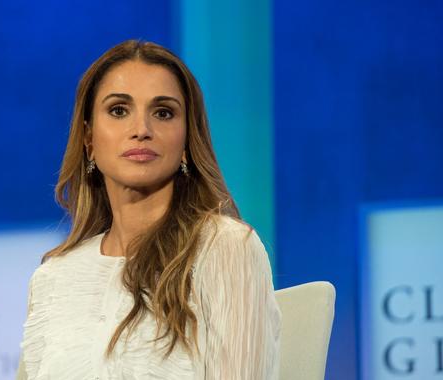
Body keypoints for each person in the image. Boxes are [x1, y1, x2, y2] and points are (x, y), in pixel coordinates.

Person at [15, 39, 281, 380]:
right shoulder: (54, 277)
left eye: (163, 113)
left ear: (186, 141)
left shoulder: (226, 248)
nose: (141, 130)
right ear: (89, 139)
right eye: (118, 111)